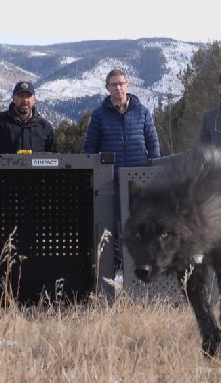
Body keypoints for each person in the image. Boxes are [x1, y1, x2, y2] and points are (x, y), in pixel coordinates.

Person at [83, 68, 162, 271]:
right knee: (115, 224)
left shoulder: (142, 111)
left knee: (142, 223)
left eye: (121, 83)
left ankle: (141, 264)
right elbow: (90, 147)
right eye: (113, 84)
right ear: (107, 88)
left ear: (127, 85)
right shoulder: (99, 115)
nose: (118, 87)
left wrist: (154, 170)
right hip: (112, 179)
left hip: (140, 179)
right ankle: (117, 267)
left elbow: (152, 143)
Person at [0, 81, 57, 154]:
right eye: (21, 96)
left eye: (28, 96)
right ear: (14, 98)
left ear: (34, 99)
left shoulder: (45, 127)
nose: (25, 100)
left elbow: (54, 158)